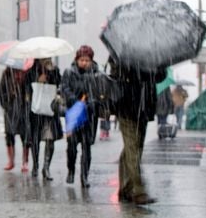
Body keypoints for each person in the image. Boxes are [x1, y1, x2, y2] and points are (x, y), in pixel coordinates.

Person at [108, 56, 166, 204]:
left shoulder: (152, 52)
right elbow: (115, 74)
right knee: (132, 148)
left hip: (144, 106)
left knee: (135, 147)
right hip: (126, 105)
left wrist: (157, 66)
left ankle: (125, 188)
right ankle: (138, 191)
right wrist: (134, 68)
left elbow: (160, 77)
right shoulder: (120, 52)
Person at [61, 45, 100, 188]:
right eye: (82, 60)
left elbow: (98, 92)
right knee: (71, 146)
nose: (84, 63)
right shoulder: (69, 72)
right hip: (73, 114)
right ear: (77, 59)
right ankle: (71, 170)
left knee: (86, 147)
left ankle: (84, 176)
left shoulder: (96, 74)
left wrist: (90, 102)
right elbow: (64, 88)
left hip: (89, 116)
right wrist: (75, 101)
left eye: (87, 60)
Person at [25, 58, 63, 180]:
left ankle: (46, 168)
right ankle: (35, 165)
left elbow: (59, 84)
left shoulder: (54, 70)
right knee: (35, 140)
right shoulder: (31, 71)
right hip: (36, 112)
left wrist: (51, 73)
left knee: (50, 139)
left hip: (50, 111)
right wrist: (37, 80)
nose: (47, 59)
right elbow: (26, 89)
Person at [0, 67, 30, 172]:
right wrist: (7, 104)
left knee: (25, 137)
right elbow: (1, 92)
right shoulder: (6, 74)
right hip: (10, 110)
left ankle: (25, 162)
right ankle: (11, 161)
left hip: (23, 109)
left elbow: (31, 90)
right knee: (9, 136)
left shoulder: (27, 73)